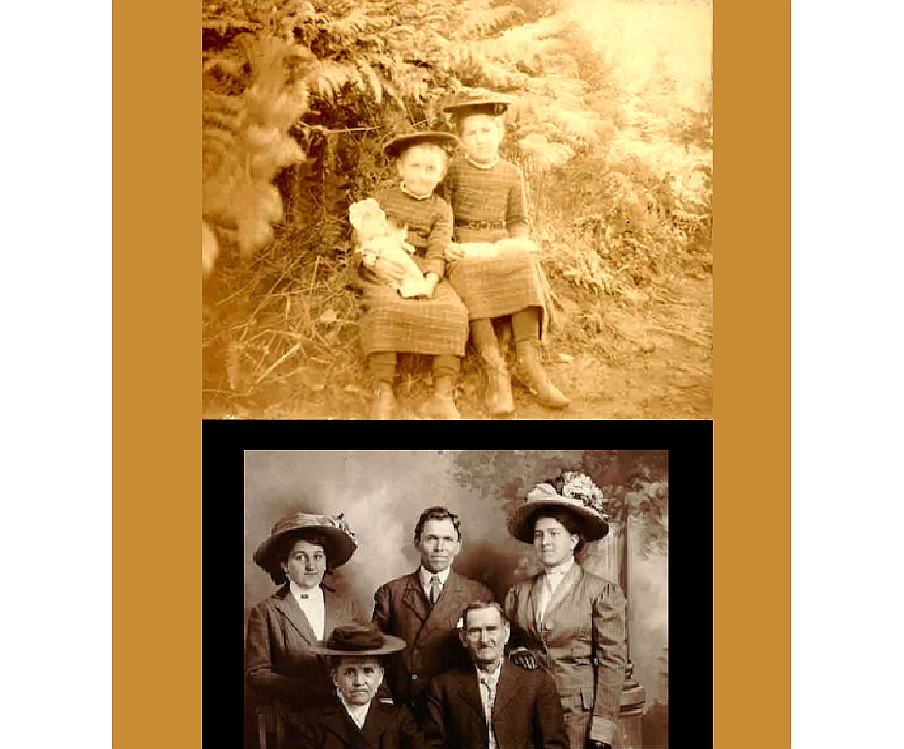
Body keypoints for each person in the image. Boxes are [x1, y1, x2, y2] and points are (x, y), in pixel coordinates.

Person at [440, 93, 569, 415]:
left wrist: (518, 241)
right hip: (465, 239)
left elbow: (518, 219)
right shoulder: (453, 171)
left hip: (501, 237)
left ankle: (529, 363)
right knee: (467, 274)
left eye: (487, 131)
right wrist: (450, 243)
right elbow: (442, 214)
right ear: (461, 139)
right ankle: (495, 369)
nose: (480, 139)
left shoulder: (511, 173)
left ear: (500, 133)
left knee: (524, 264)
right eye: (471, 133)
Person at [503, 475, 627, 749]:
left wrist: (602, 729)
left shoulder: (600, 592)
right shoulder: (519, 593)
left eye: (553, 534)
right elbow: (507, 641)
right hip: (528, 711)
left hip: (578, 718)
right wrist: (515, 651)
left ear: (574, 540)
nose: (545, 542)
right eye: (539, 535)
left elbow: (612, 662)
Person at [355, 130, 470, 420]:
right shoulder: (382, 197)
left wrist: (430, 280)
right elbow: (363, 236)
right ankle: (383, 391)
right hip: (382, 262)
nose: (421, 175)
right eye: (415, 166)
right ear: (400, 168)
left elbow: (438, 249)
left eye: (430, 168)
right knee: (384, 306)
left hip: (422, 268)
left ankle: (442, 394)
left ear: (441, 174)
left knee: (452, 310)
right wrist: (375, 263)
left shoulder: (441, 209)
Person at [372, 506, 494, 717]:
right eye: (431, 538)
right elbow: (374, 653)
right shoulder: (391, 593)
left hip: (457, 709)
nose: (440, 547)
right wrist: (384, 698)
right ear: (417, 543)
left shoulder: (478, 594)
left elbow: (489, 656)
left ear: (458, 545)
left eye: (447, 539)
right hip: (404, 709)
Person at [245, 511, 364, 720]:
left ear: (326, 562)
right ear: (284, 565)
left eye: (318, 557)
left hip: (348, 716)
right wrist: (308, 690)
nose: (311, 566)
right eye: (301, 558)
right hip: (295, 718)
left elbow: (366, 655)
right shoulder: (267, 611)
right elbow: (257, 673)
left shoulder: (346, 605)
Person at [423, 602, 568, 749]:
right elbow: (433, 745)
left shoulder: (538, 682)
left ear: (506, 633)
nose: (484, 640)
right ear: (463, 637)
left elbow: (555, 745)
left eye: (491, 629)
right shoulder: (443, 687)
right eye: (475, 631)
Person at [283, 625, 426, 749]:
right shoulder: (310, 722)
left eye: (368, 671)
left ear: (380, 676)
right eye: (350, 672)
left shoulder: (399, 718)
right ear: (335, 677)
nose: (359, 681)